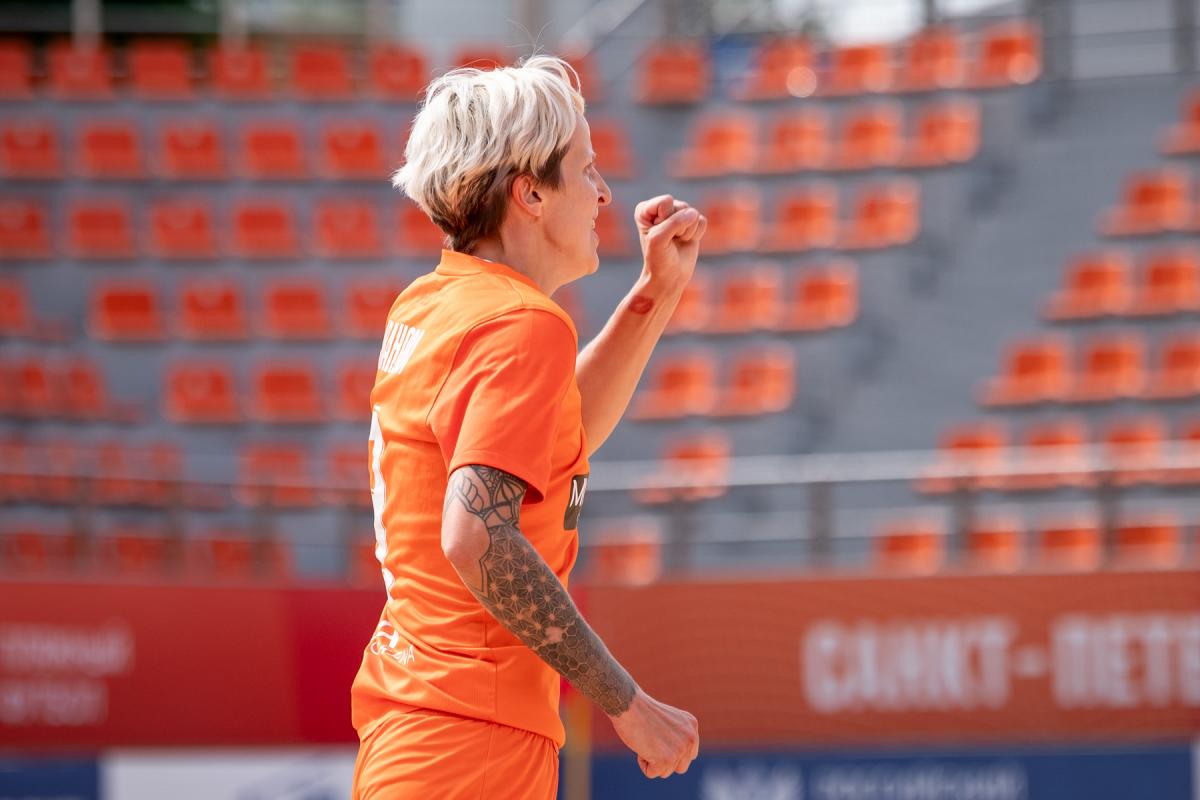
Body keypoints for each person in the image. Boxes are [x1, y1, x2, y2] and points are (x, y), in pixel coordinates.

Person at [350, 54, 707, 799]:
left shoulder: (433, 302)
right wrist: (627, 704)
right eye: (586, 169)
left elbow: (555, 436)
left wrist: (655, 294)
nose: (604, 192)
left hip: (420, 733)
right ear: (531, 193)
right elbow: (477, 535)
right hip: (473, 745)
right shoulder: (521, 323)